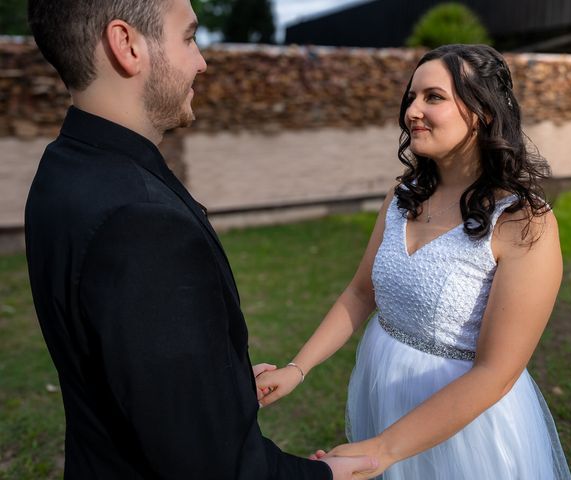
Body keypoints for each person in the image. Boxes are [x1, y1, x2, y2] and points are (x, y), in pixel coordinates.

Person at [24, 0, 377, 478]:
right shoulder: (142, 222)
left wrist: (216, 385)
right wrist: (328, 474)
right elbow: (214, 466)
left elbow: (127, 368)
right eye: (189, 37)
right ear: (127, 45)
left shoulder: (64, 168)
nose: (202, 61)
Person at [256, 44, 571, 479]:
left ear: (482, 111)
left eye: (433, 97)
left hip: (463, 419)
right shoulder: (402, 196)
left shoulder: (523, 222)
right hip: (383, 382)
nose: (412, 111)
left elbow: (496, 372)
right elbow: (361, 291)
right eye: (412, 97)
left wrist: (381, 451)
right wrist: (298, 367)